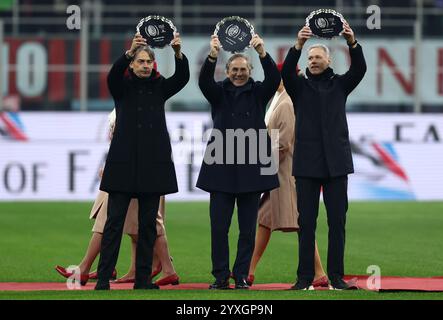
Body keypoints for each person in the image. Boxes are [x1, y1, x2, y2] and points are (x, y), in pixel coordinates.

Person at [95, 31, 189, 290]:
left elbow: (182, 78)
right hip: (124, 165)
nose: (145, 66)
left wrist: (178, 53)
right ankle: (103, 279)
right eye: (141, 62)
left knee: (148, 226)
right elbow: (112, 75)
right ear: (133, 64)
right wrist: (127, 53)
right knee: (114, 224)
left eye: (149, 62)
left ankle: (143, 280)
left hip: (152, 165)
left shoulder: (160, 86)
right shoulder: (122, 86)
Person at [281, 22, 366, 290]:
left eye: (318, 57)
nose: (313, 60)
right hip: (306, 164)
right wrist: (297, 45)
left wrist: (352, 42)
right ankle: (304, 278)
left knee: (337, 223)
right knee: (306, 224)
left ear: (329, 59)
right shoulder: (298, 87)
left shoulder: (341, 85)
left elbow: (360, 69)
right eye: (310, 57)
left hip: (337, 164)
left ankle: (337, 277)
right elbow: (285, 72)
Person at [55, 112, 178, 287]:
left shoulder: (133, 105)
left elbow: (130, 143)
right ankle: (153, 268)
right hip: (133, 171)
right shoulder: (136, 104)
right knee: (139, 225)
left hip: (134, 174)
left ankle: (87, 268)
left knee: (113, 222)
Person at [196, 34, 280, 290]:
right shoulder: (218, 93)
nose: (239, 73)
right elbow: (203, 82)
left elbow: (274, 79)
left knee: (247, 230)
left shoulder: (258, 92)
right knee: (219, 228)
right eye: (234, 69)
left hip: (251, 168)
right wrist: (212, 55)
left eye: (243, 69)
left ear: (250, 70)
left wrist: (262, 51)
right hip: (221, 166)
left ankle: (241, 275)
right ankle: (221, 276)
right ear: (227, 70)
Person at [247, 63, 328, 288]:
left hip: (285, 173)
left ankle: (319, 273)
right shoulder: (281, 99)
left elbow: (282, 142)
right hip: (279, 172)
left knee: (300, 222)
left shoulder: (287, 102)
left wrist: (260, 164)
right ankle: (248, 271)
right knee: (265, 220)